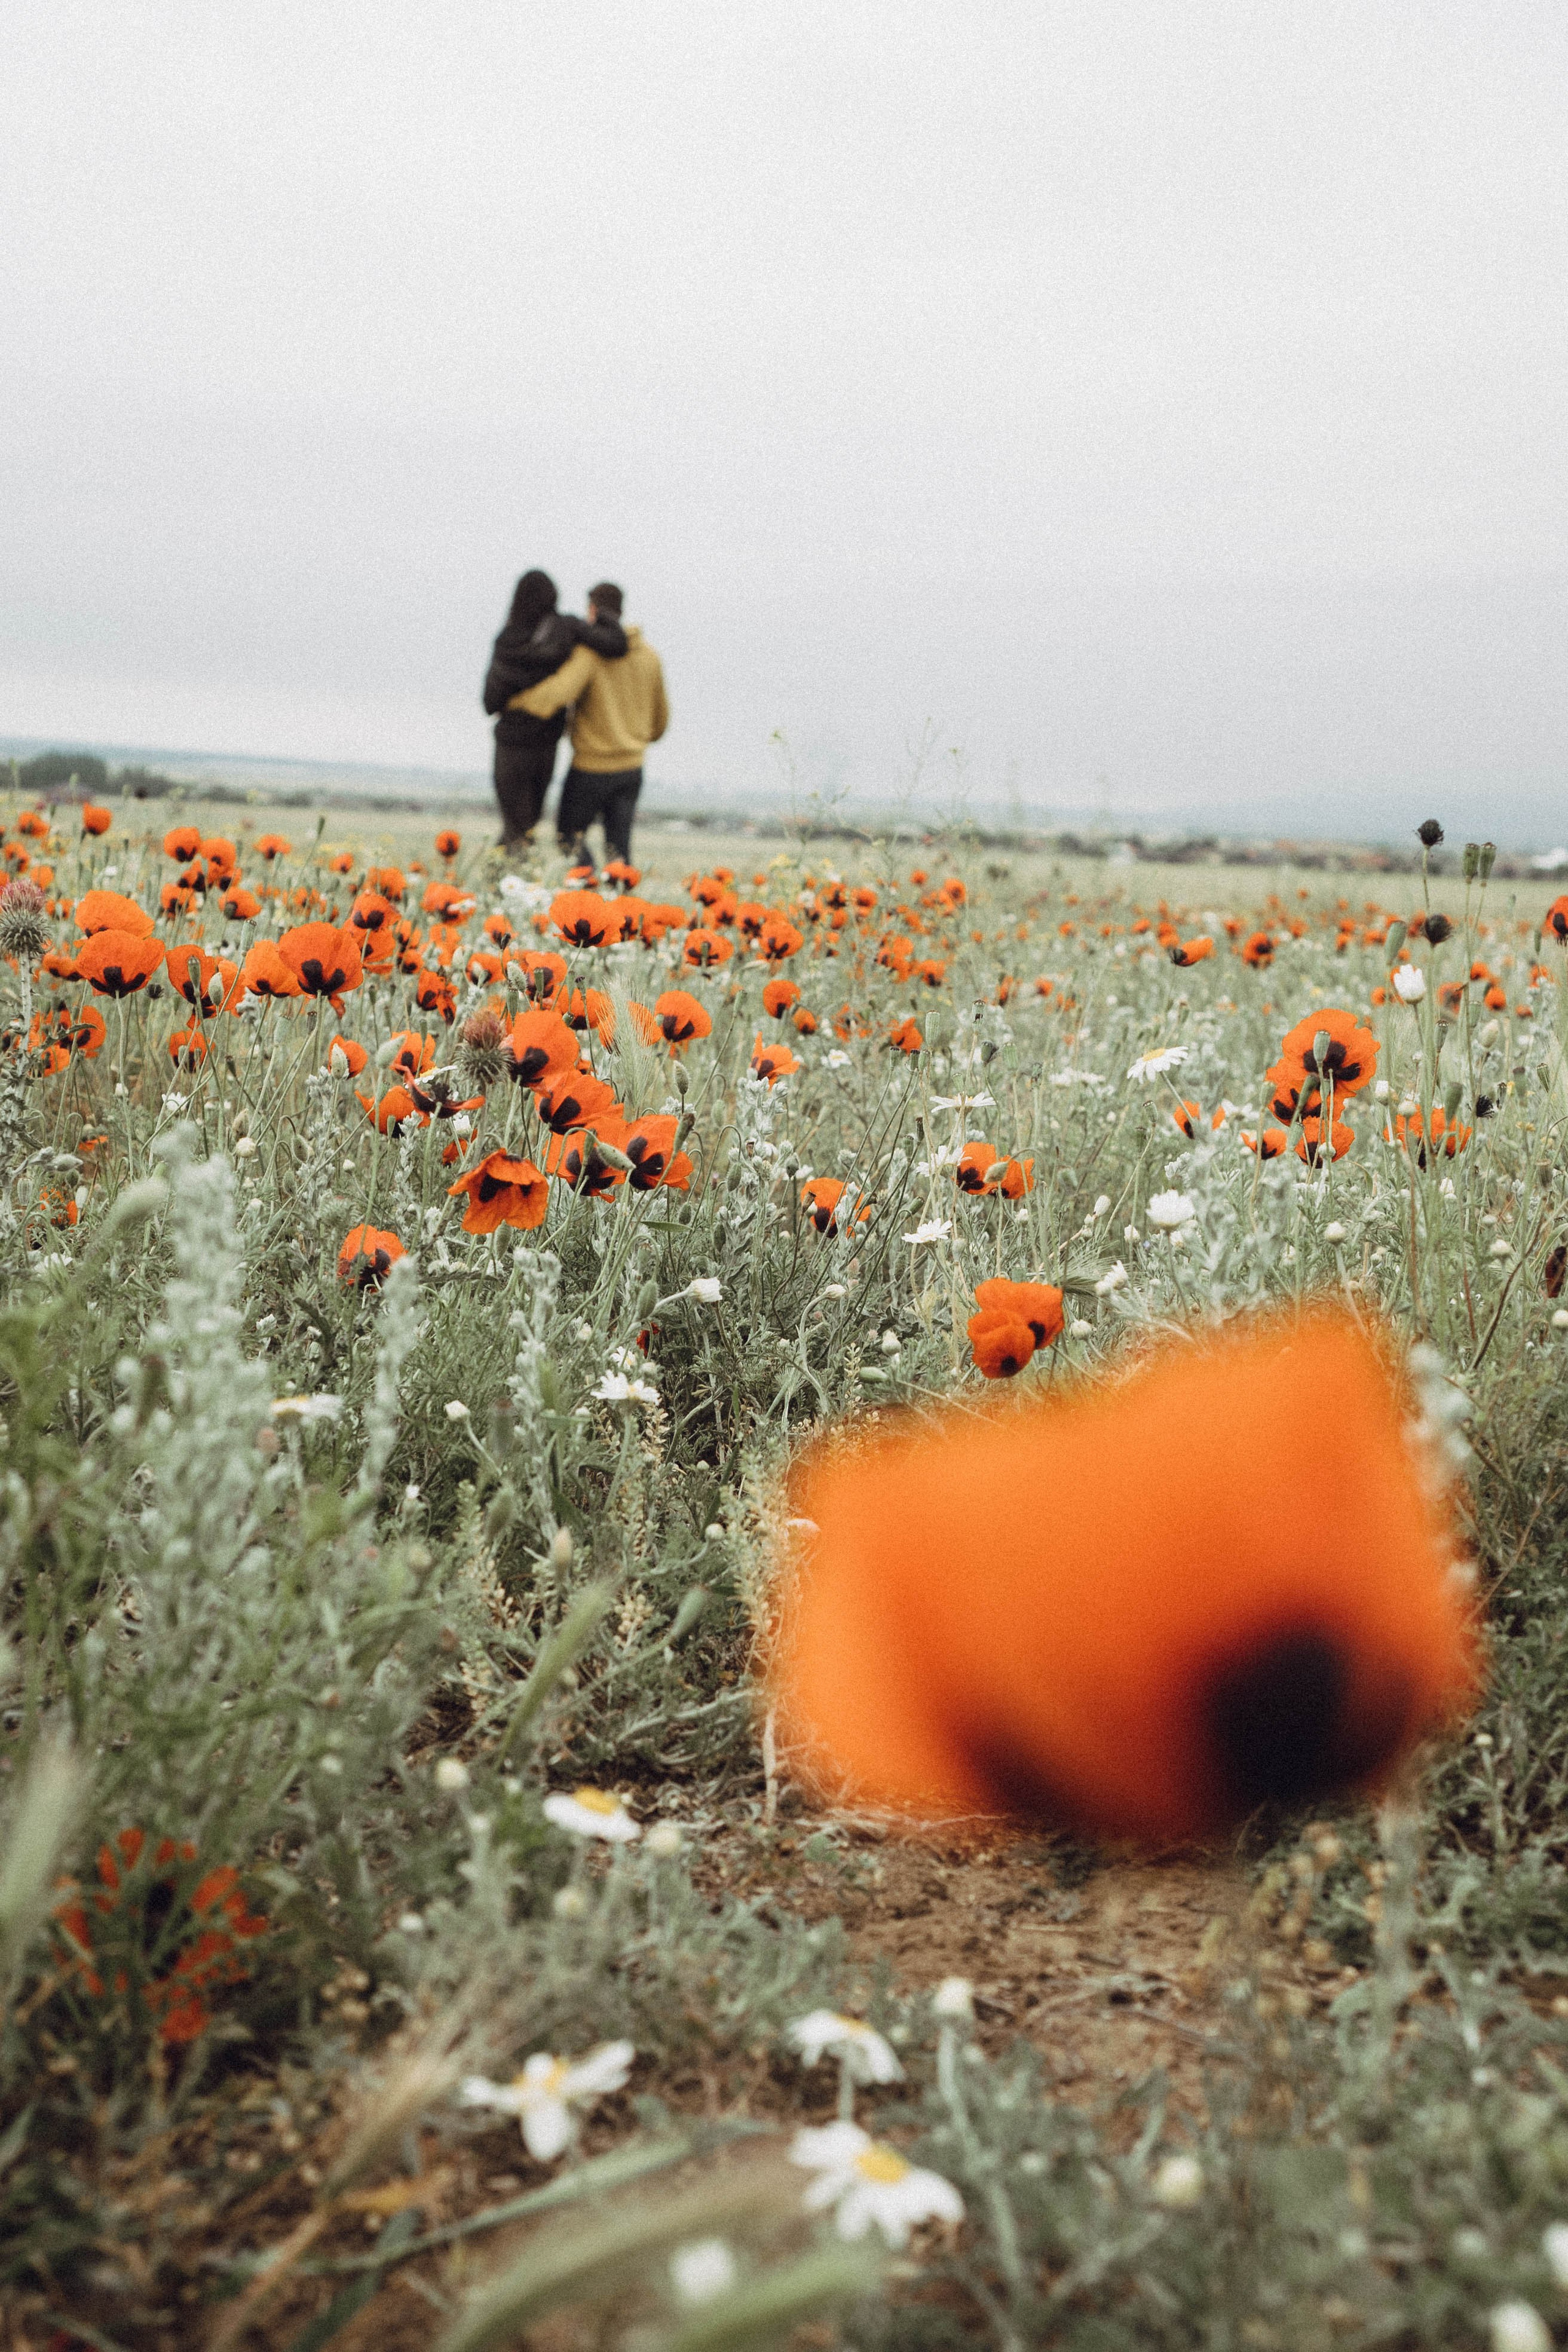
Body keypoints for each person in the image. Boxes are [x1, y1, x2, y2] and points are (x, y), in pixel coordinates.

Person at [511, 583, 668, 866]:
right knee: (619, 853)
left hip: (591, 770)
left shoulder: (592, 654)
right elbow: (660, 723)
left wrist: (514, 701)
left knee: (569, 839)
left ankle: (588, 895)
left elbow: (558, 695)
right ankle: (617, 904)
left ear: (593, 611)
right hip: (632, 769)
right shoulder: (650, 657)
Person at [481, 570, 628, 847]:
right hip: (545, 742)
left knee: (515, 824)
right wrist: (603, 613)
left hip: (511, 742)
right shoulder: (567, 629)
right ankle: (515, 882)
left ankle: (503, 883)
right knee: (529, 823)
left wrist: (518, 697)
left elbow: (490, 702)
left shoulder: (506, 640)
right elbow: (616, 644)